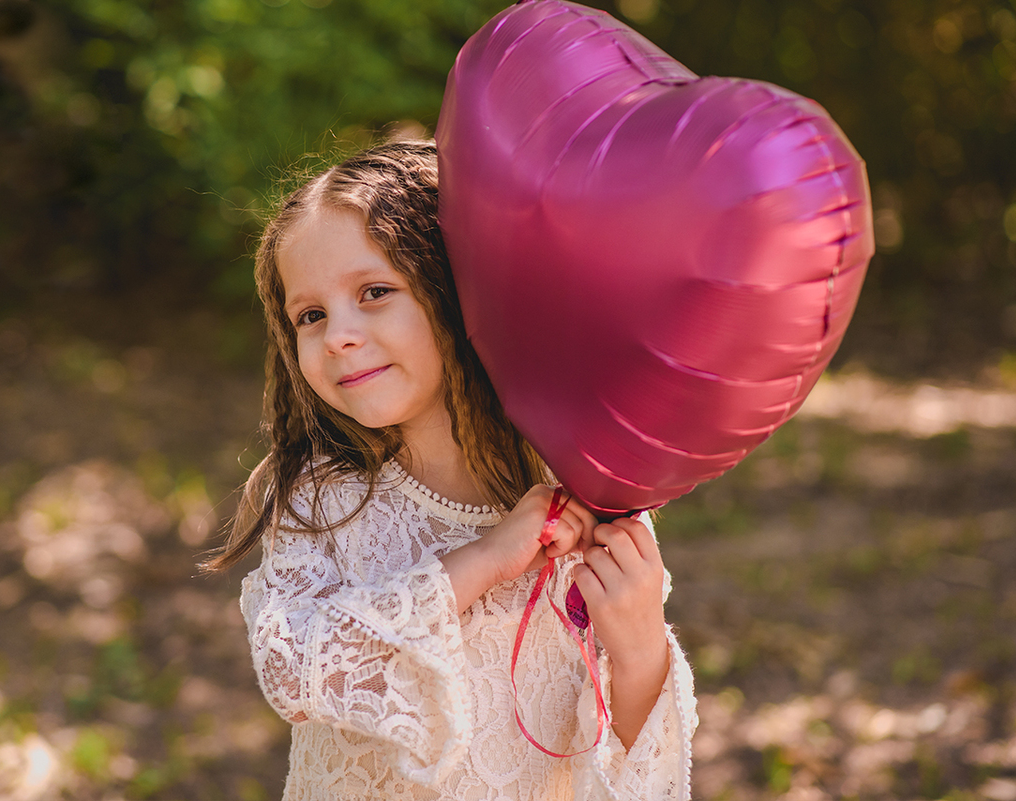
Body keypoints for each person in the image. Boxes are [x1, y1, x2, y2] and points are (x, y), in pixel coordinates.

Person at [204, 140, 697, 800]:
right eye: (311, 315)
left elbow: (640, 769)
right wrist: (488, 557)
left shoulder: (585, 498)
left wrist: (639, 652)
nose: (338, 334)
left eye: (375, 292)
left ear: (457, 289)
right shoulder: (325, 499)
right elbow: (295, 671)